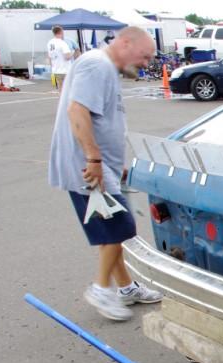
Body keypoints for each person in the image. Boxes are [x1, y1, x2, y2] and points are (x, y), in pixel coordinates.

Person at [48, 26, 162, 321]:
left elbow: (103, 121)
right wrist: (95, 159)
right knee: (121, 227)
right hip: (87, 168)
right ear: (125, 43)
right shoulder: (96, 64)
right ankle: (101, 289)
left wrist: (112, 163)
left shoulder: (105, 68)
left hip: (101, 166)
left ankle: (126, 288)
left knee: (113, 230)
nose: (147, 63)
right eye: (145, 56)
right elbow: (77, 111)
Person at [47, 26, 73, 93]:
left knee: (60, 87)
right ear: (61, 32)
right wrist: (72, 53)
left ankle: (61, 101)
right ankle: (66, 102)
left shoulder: (50, 43)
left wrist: (52, 66)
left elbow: (49, 56)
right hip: (65, 69)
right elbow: (67, 56)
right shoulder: (62, 43)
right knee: (68, 88)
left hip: (56, 68)